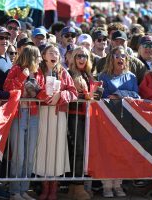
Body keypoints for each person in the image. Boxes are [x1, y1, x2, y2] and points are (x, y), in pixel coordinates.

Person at [34, 44, 77, 200]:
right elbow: (34, 90)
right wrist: (44, 95)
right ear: (44, 55)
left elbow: (73, 92)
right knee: (43, 150)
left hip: (58, 116)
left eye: (57, 53)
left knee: (57, 150)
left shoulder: (63, 72)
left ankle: (54, 188)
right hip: (42, 115)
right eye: (51, 52)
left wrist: (61, 95)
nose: (54, 55)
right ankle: (45, 187)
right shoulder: (38, 71)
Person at [98, 46, 140, 198]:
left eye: (123, 56)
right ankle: (107, 186)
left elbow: (136, 95)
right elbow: (101, 96)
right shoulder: (103, 76)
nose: (120, 58)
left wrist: (119, 94)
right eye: (117, 56)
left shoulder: (131, 77)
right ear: (111, 58)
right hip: (107, 119)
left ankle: (118, 185)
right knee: (108, 153)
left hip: (125, 119)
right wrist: (113, 96)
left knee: (121, 153)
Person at [4, 45, 44, 200]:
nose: (40, 59)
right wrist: (21, 77)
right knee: (19, 155)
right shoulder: (16, 69)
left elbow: (40, 93)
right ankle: (15, 191)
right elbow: (7, 88)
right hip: (18, 114)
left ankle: (23, 190)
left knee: (29, 155)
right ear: (32, 57)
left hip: (34, 114)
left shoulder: (38, 73)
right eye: (38, 56)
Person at [67, 46, 93, 200]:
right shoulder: (69, 74)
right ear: (74, 58)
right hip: (73, 115)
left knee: (82, 152)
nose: (82, 59)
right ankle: (77, 186)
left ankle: (74, 187)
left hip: (87, 116)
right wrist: (82, 96)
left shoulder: (89, 75)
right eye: (78, 56)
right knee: (78, 150)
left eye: (84, 56)